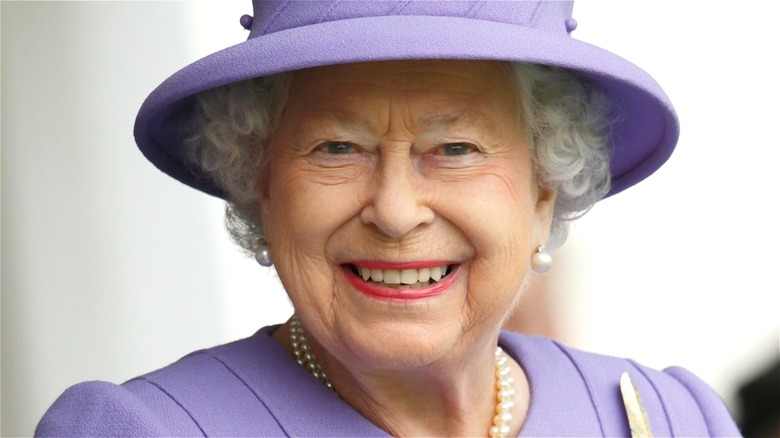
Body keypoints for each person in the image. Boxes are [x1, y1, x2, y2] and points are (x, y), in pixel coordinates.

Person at [36, 1, 740, 436]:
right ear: (262, 184)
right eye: (338, 147)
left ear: (544, 191)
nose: (397, 212)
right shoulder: (144, 432)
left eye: (456, 148)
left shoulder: (665, 420)